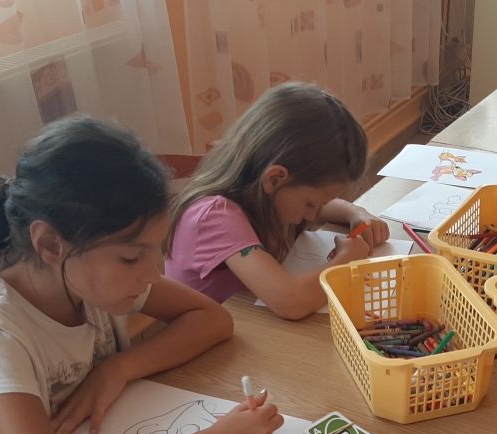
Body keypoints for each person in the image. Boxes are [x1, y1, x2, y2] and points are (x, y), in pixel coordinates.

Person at [0, 116, 283, 434]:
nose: (151, 273)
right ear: (50, 245)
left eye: (153, 251)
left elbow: (212, 319)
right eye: (131, 257)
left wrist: (118, 368)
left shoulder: (85, 274)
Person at [165, 83, 388, 320]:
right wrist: (346, 261)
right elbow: (291, 302)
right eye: (310, 204)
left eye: (319, 204)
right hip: (214, 337)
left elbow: (317, 204)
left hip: (248, 320)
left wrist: (356, 214)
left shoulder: (254, 187)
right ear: (275, 179)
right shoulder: (215, 216)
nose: (312, 215)